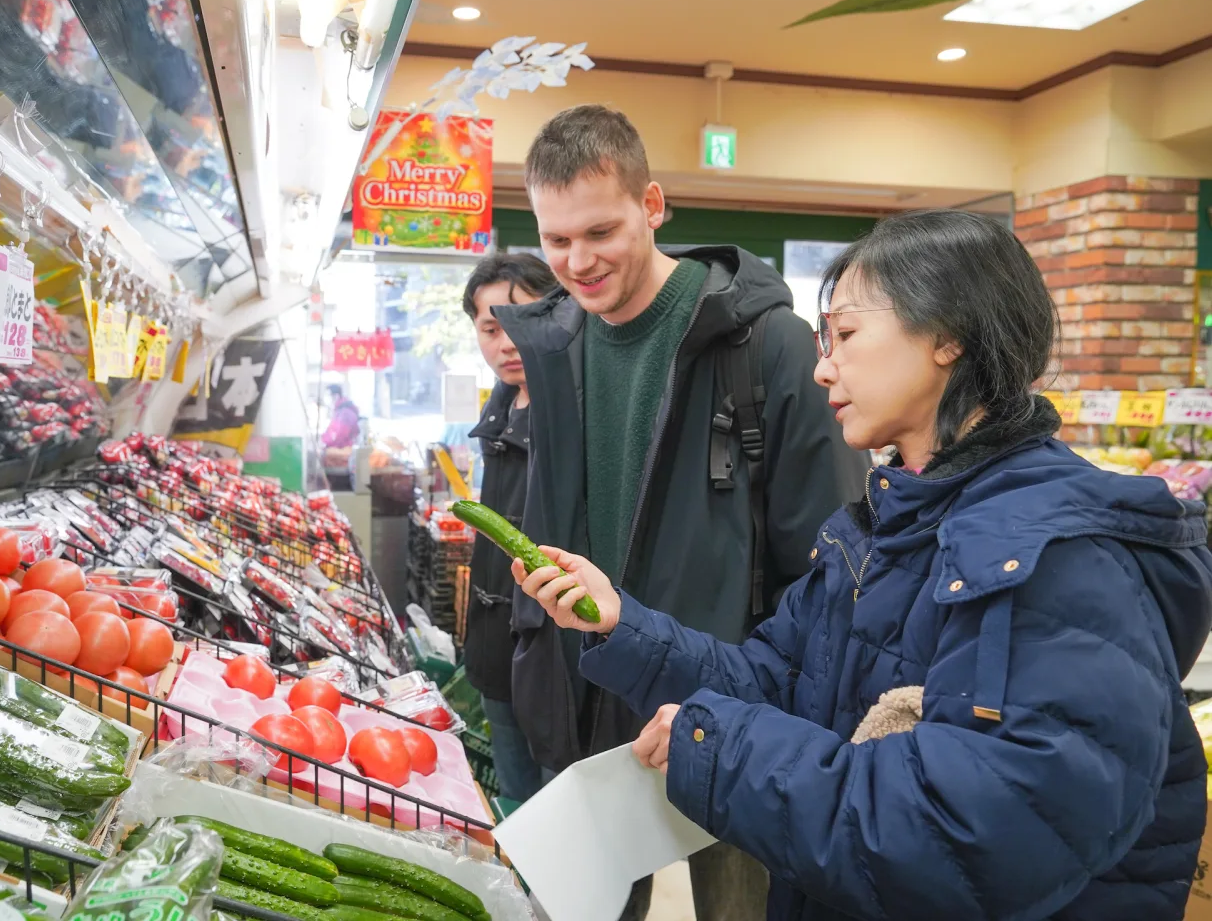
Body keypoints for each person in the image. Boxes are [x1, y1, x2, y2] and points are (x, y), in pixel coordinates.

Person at [516, 209, 1212, 921]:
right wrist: (623, 623)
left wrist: (728, 750)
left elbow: (966, 838)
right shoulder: (886, 527)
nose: (822, 366)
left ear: (949, 336)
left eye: (846, 335)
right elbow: (774, 681)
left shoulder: (1059, 558)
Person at [494, 104, 867, 920]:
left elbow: (833, 567)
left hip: (736, 717)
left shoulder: (767, 347)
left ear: (653, 205)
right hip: (589, 707)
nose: (578, 262)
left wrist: (772, 716)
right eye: (557, 241)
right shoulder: (552, 351)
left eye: (601, 232)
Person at [461, 252, 559, 803]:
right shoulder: (500, 408)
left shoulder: (575, 408)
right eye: (491, 328)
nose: (506, 342)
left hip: (557, 659)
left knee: (563, 817)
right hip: (495, 652)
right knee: (516, 810)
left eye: (519, 323)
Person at [321, 384, 360, 449]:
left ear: (336, 396)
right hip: (340, 451)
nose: (326, 398)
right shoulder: (340, 411)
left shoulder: (345, 414)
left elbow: (339, 436)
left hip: (341, 453)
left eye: (328, 395)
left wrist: (324, 441)